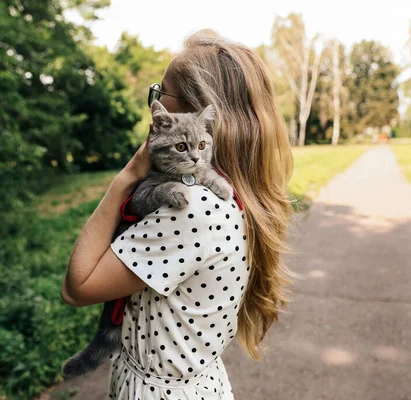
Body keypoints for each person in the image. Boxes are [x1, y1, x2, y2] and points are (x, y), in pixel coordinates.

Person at [61, 30, 294, 399]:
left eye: (161, 94)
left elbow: (77, 287)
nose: (155, 106)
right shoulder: (229, 190)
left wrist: (126, 177)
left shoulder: (192, 209)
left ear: (193, 112)